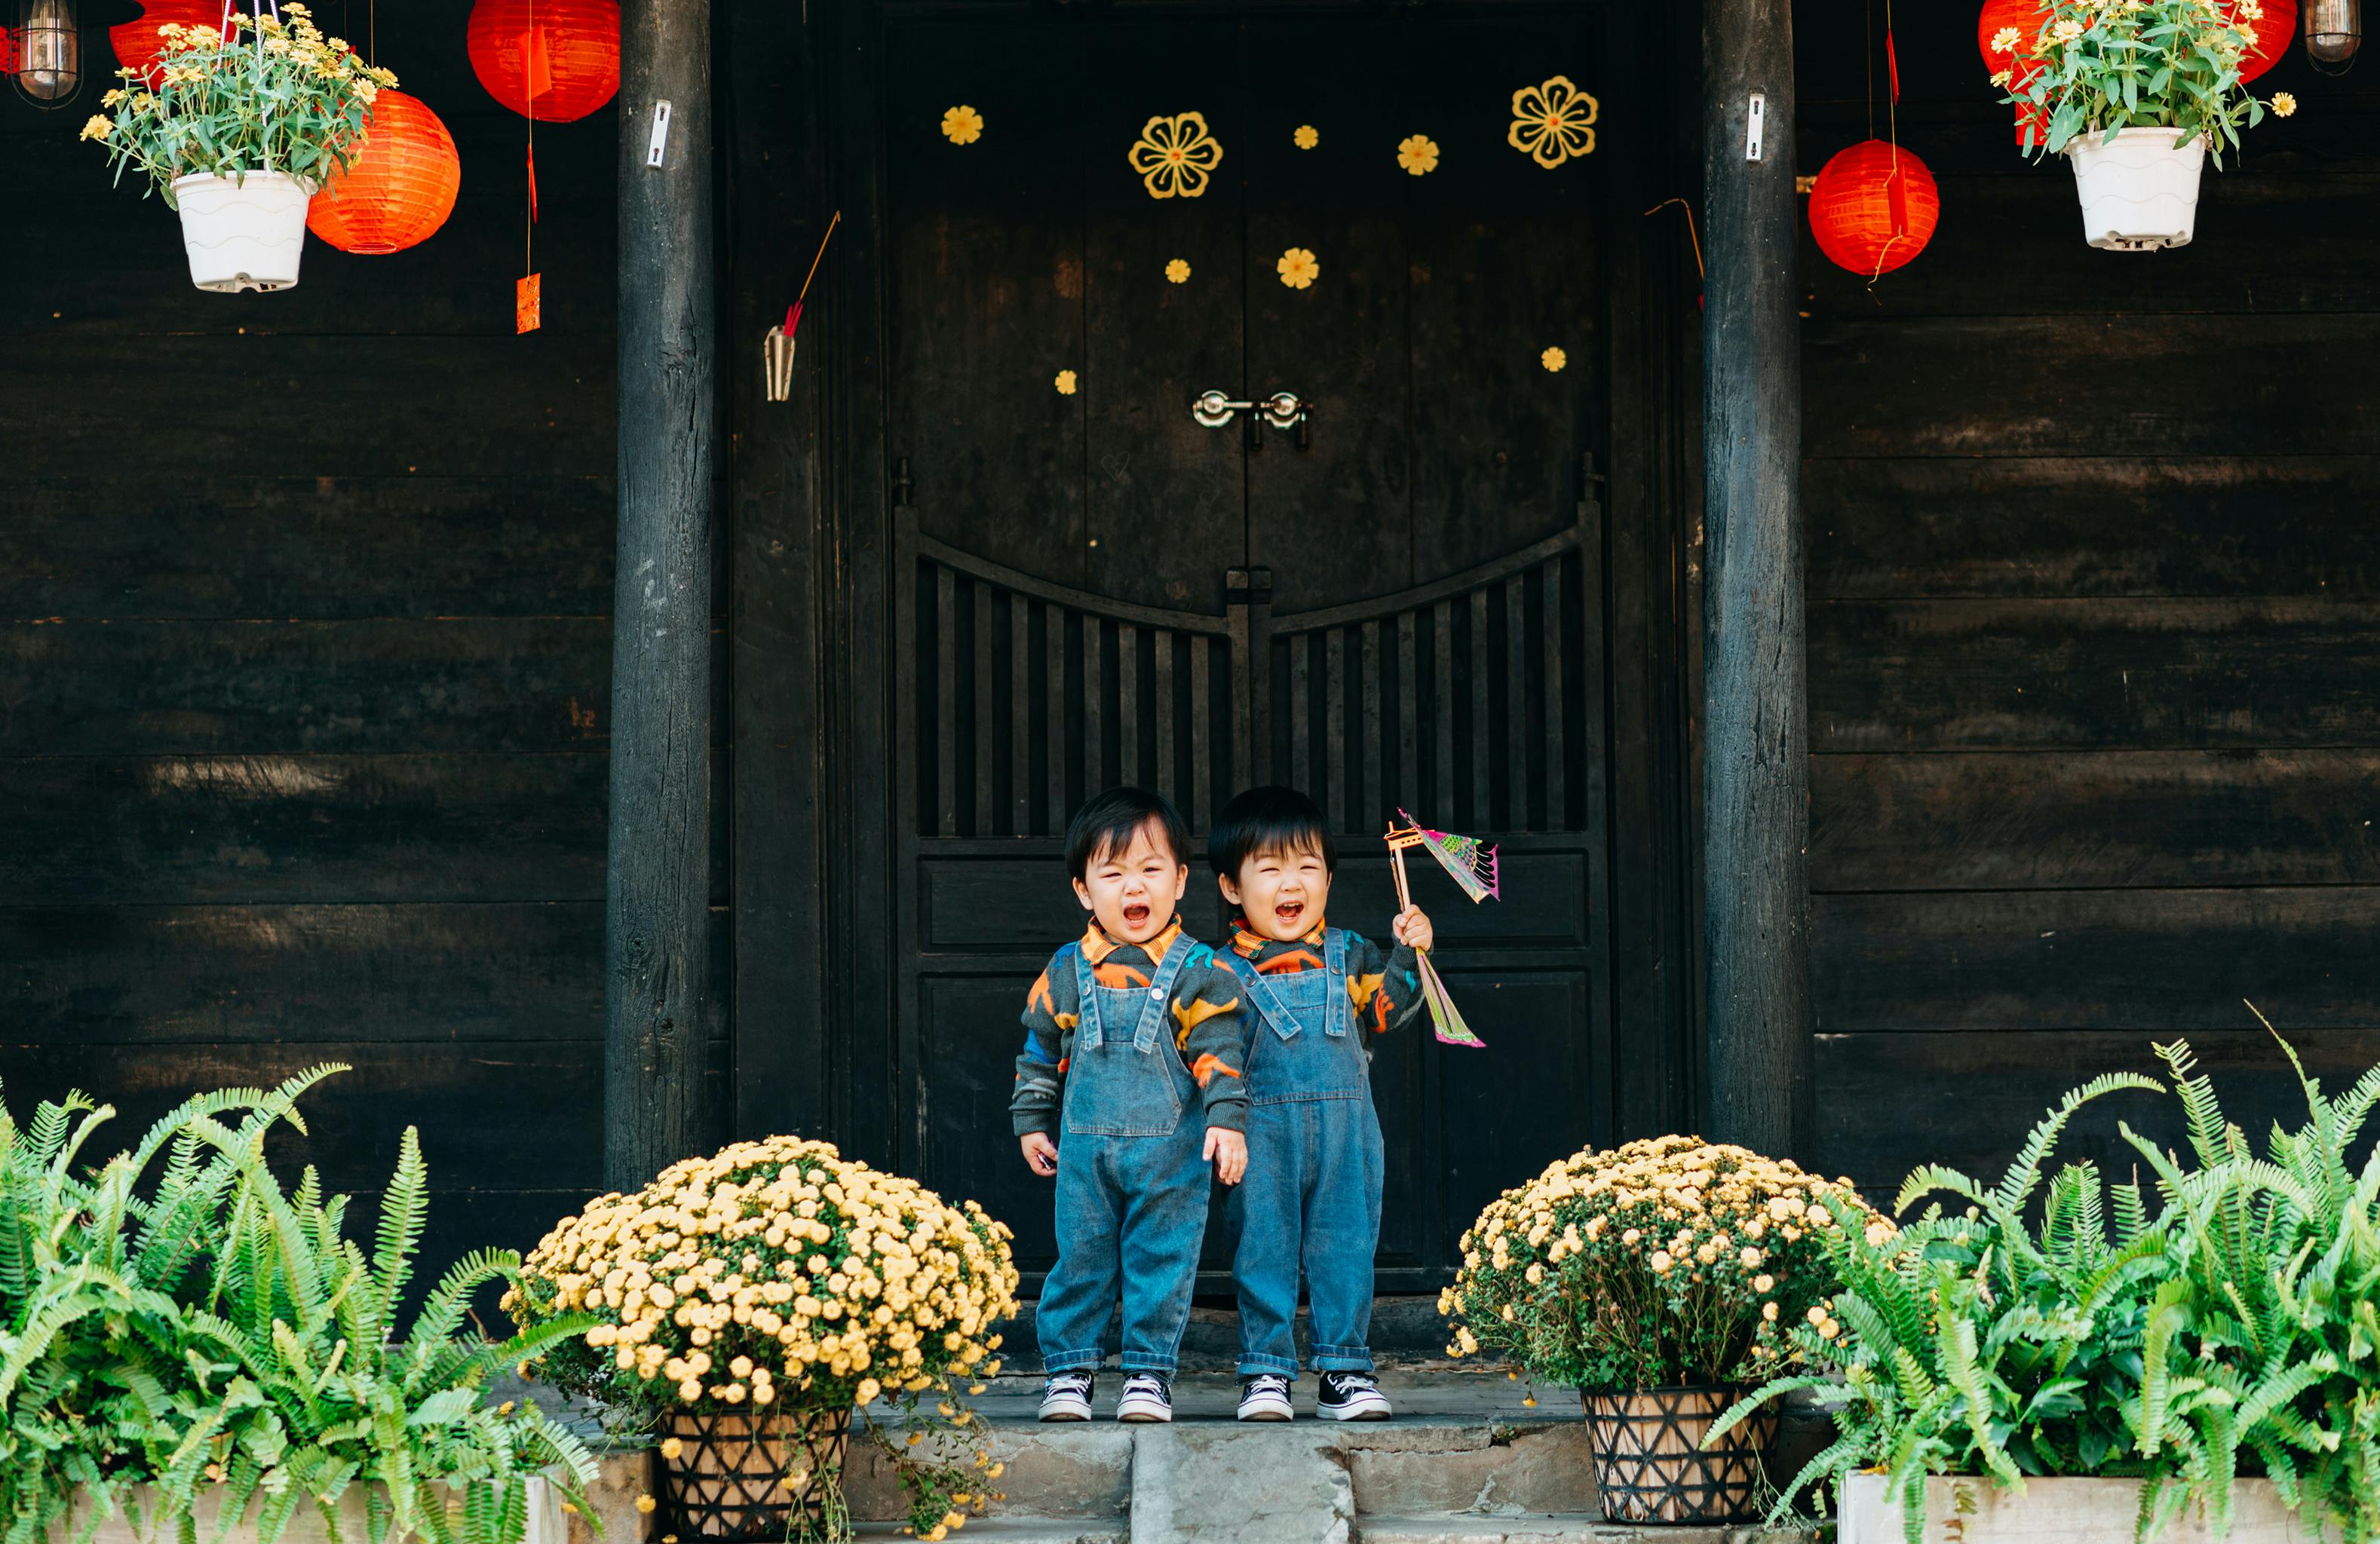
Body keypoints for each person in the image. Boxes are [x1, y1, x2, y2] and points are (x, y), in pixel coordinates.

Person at [1012, 786, 1250, 1423]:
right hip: (1086, 1154)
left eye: (1150, 870)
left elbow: (1220, 1052)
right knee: (1081, 1260)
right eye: (1112, 873)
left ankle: (1148, 1374)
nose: (1132, 888)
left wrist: (1228, 1123)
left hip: (1172, 1156)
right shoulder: (1065, 970)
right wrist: (1032, 1123)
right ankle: (1070, 1371)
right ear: (1084, 891)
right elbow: (1038, 1052)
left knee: (1160, 1263)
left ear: (1178, 881)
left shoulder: (1199, 970)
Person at [1208, 786, 1432, 1423]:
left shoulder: (1351, 953)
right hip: (1261, 1137)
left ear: (1329, 878)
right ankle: (1266, 1373)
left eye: (1307, 866)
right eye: (1270, 867)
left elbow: (1388, 1013)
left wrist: (1409, 953)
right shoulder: (1217, 972)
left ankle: (1345, 1369)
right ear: (1232, 887)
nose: (1291, 882)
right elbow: (1203, 1054)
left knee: (1345, 1248)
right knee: (1263, 1250)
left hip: (1346, 1135)